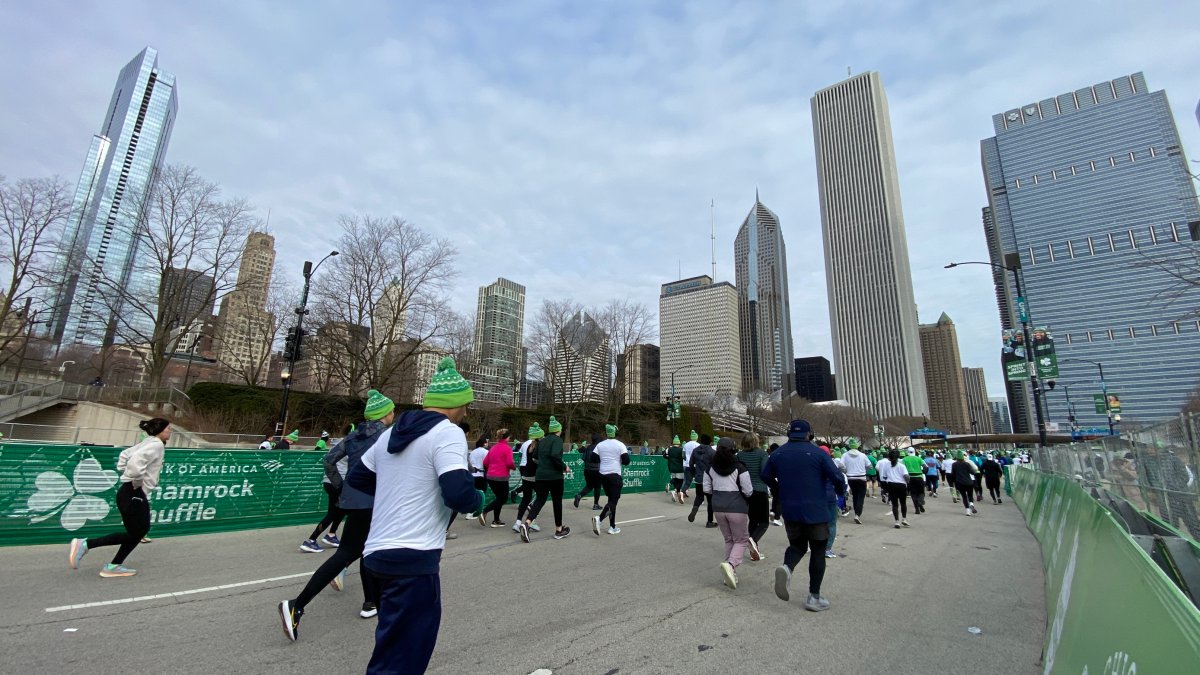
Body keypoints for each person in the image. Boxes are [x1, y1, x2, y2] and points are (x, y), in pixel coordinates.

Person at [342, 357, 483, 674]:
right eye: (466, 405)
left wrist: (398, 494)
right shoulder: (447, 433)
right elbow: (458, 493)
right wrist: (479, 499)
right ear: (455, 404)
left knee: (390, 650)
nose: (466, 412)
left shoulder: (390, 434)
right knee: (404, 660)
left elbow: (358, 478)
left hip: (377, 556)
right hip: (413, 558)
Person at [279, 390, 396, 638]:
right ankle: (296, 605)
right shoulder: (387, 436)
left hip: (354, 500)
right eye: (392, 410)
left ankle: (370, 602)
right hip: (375, 501)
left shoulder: (353, 436)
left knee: (365, 549)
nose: (394, 414)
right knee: (348, 553)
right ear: (386, 413)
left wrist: (343, 486)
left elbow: (329, 460)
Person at [69, 417, 170, 578]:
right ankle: (87, 545)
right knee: (138, 532)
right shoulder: (156, 444)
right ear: (160, 430)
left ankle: (113, 564)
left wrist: (127, 474)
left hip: (130, 491)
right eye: (168, 429)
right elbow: (136, 465)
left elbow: (124, 455)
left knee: (138, 531)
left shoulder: (149, 442)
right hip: (134, 492)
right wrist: (136, 482)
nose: (169, 432)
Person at [762, 420, 846, 612]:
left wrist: (778, 490)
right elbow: (837, 477)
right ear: (810, 434)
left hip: (790, 509)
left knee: (797, 545)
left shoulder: (778, 453)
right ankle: (814, 596)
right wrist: (841, 493)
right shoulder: (818, 453)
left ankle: (787, 568)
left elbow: (765, 475)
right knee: (818, 550)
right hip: (816, 509)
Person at [705, 438, 753, 589]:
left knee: (728, 539)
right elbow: (748, 490)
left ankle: (729, 573)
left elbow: (706, 489)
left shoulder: (710, 468)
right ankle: (731, 565)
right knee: (741, 540)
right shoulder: (740, 468)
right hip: (737, 508)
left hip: (718, 507)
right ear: (733, 450)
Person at [519, 416, 571, 541]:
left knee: (539, 500)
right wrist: (565, 467)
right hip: (554, 476)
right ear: (558, 430)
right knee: (557, 502)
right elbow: (554, 455)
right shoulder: (557, 440)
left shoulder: (542, 441)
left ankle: (527, 523)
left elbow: (534, 457)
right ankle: (559, 530)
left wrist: (543, 465)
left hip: (541, 476)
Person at [300, 435, 347, 552]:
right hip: (339, 482)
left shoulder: (336, 446)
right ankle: (311, 540)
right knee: (333, 513)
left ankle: (331, 535)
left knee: (341, 509)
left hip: (329, 481)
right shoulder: (350, 447)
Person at [736, 432, 770, 560]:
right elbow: (764, 472)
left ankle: (753, 551)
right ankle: (753, 540)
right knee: (764, 522)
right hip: (760, 490)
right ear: (756, 441)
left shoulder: (739, 455)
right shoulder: (762, 454)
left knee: (753, 521)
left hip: (746, 492)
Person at [591, 424, 629, 535]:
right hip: (614, 475)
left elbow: (593, 458)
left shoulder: (600, 445)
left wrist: (604, 459)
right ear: (616, 433)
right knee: (613, 501)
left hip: (603, 475)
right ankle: (599, 518)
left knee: (611, 501)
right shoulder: (620, 445)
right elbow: (626, 461)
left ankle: (612, 526)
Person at [479, 429, 516, 527]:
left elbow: (485, 462)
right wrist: (513, 467)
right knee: (503, 498)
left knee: (499, 498)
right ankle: (484, 511)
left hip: (491, 477)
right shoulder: (507, 448)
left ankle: (496, 520)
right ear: (507, 438)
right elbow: (509, 463)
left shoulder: (493, 448)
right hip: (501, 477)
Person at [511, 424, 543, 535]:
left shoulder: (529, 446)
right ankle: (531, 522)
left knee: (526, 499)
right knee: (539, 500)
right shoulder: (539, 447)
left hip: (526, 474)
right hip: (535, 476)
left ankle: (518, 522)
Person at [687, 434, 717, 528]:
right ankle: (709, 521)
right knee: (710, 501)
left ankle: (695, 508)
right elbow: (716, 466)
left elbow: (691, 464)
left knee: (699, 496)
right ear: (709, 442)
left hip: (698, 477)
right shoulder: (712, 452)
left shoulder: (695, 450)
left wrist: (694, 474)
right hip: (709, 479)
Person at [841, 439, 870, 525]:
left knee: (855, 496)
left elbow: (840, 465)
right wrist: (865, 470)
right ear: (857, 446)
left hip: (851, 478)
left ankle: (856, 513)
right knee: (861, 497)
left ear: (849, 446)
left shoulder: (845, 455)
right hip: (861, 478)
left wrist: (846, 471)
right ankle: (857, 515)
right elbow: (870, 466)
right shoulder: (863, 455)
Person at [573, 433, 604, 510]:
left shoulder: (588, 447)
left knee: (589, 486)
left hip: (587, 470)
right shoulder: (599, 448)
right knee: (597, 487)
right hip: (596, 470)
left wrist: (576, 464)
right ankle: (596, 504)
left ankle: (579, 495)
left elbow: (582, 458)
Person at [883, 448, 910, 528]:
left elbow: (884, 477)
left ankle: (897, 521)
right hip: (901, 485)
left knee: (895, 504)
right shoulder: (902, 466)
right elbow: (906, 476)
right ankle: (904, 519)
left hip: (891, 485)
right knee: (903, 503)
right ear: (898, 456)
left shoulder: (886, 466)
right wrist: (908, 481)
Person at [952, 451, 979, 516]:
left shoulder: (954, 464)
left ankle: (967, 511)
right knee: (970, 495)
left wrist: (954, 482)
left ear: (957, 457)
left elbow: (953, 474)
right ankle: (971, 504)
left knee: (964, 497)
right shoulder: (967, 464)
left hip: (960, 483)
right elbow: (972, 472)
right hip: (969, 482)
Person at [902, 449, 926, 514]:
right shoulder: (919, 459)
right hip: (919, 477)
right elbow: (925, 467)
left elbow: (902, 467)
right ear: (914, 452)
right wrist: (923, 472)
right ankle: (920, 502)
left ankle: (917, 509)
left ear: (907, 452)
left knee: (913, 494)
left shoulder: (904, 459)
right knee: (921, 492)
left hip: (910, 478)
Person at [666, 436, 686, 504]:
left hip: (672, 467)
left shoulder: (669, 449)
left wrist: (670, 458)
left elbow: (665, 455)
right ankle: (674, 492)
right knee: (680, 481)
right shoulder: (681, 449)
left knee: (675, 480)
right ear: (679, 443)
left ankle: (671, 487)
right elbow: (684, 457)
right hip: (679, 468)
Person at [681, 430, 700, 501]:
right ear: (696, 438)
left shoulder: (686, 444)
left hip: (686, 465)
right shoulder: (698, 445)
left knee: (686, 480)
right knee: (699, 481)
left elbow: (683, 455)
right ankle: (700, 497)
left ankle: (682, 492)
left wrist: (686, 461)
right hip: (695, 465)